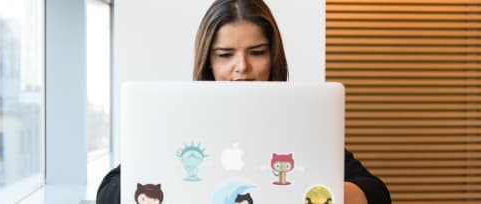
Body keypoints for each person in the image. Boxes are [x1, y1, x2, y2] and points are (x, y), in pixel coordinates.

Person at [97, 0, 391, 203]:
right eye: (225, 55)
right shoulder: (183, 118)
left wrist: (309, 195)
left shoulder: (299, 120)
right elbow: (108, 191)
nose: (242, 67)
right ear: (208, 61)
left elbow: (377, 193)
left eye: (257, 52)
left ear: (273, 56)